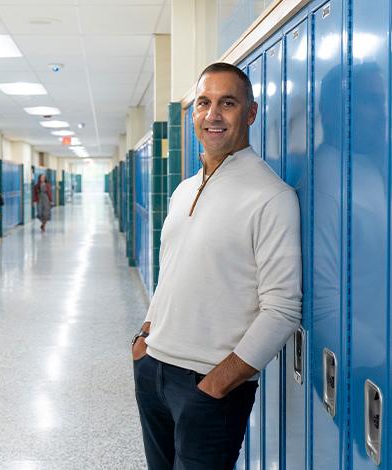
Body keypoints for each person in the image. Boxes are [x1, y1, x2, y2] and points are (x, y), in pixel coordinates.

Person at [131, 62, 302, 469]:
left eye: (227, 103)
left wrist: (217, 384)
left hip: (207, 387)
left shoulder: (270, 196)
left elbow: (282, 309)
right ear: (193, 114)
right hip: (154, 371)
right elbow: (171, 269)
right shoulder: (184, 190)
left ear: (251, 112)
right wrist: (143, 340)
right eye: (204, 103)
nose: (213, 114)